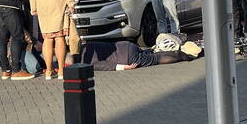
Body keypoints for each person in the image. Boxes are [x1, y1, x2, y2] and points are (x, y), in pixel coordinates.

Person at [74, 38, 202, 72]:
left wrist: (125, 67)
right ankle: (176, 49)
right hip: (126, 45)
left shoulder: (87, 62)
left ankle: (185, 56)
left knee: (156, 59)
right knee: (150, 53)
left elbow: (105, 65)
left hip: (128, 58)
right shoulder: (85, 46)